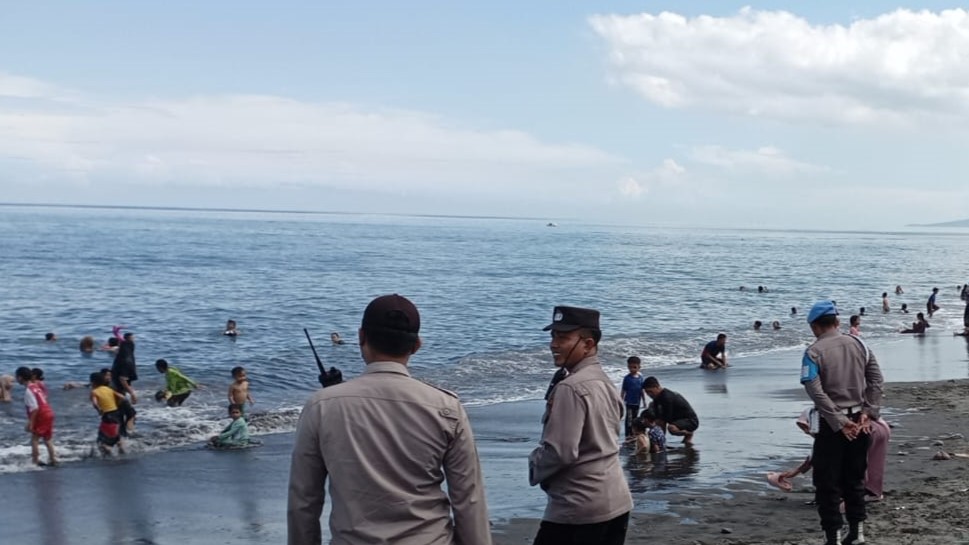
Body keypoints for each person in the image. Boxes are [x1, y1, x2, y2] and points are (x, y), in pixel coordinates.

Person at [288, 294, 490, 545]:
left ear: (361, 337)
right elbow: (469, 500)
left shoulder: (321, 406)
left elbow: (303, 501)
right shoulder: (446, 408)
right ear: (416, 345)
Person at [529, 305, 631, 545]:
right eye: (553, 336)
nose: (554, 344)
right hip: (615, 500)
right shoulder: (604, 381)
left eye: (563, 337)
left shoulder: (570, 388)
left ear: (588, 344)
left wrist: (534, 463)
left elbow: (560, 452)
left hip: (577, 509)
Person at [800, 300, 883, 545]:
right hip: (861, 421)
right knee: (855, 478)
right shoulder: (860, 344)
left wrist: (838, 420)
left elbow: (815, 391)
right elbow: (877, 380)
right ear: (837, 322)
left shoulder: (813, 352)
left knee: (827, 482)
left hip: (831, 425)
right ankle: (857, 534)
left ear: (814, 327)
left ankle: (833, 537)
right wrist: (870, 410)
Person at [15, 366, 57, 466]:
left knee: (34, 439)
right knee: (47, 438)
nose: (16, 379)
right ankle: (53, 459)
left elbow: (35, 408)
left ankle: (35, 460)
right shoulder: (35, 386)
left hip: (41, 415)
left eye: (16, 377)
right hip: (49, 412)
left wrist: (31, 423)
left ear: (20, 378)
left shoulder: (28, 390)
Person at [643, 376, 699, 447]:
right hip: (678, 419)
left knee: (671, 428)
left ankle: (688, 434)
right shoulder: (657, 397)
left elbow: (664, 421)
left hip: (691, 421)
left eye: (650, 391)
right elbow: (658, 418)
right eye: (647, 392)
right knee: (655, 414)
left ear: (657, 387)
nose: (649, 394)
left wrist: (659, 440)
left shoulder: (667, 397)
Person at [90, 371, 126, 456]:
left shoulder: (94, 392)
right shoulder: (108, 389)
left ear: (92, 383)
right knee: (116, 435)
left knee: (100, 440)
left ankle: (108, 453)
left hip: (107, 415)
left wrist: (99, 410)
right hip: (117, 413)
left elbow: (95, 403)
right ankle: (122, 450)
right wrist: (117, 403)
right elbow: (122, 397)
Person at [111, 331, 138, 435]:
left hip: (114, 390)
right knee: (131, 414)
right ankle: (127, 435)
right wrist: (132, 394)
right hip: (118, 391)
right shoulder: (127, 361)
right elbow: (123, 379)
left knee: (121, 414)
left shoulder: (120, 357)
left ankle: (122, 434)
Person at [620, 356, 646, 438]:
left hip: (637, 402)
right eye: (630, 367)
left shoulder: (641, 378)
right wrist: (621, 400)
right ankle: (628, 434)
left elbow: (642, 390)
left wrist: (644, 401)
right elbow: (623, 390)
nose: (632, 369)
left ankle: (634, 433)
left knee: (635, 418)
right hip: (629, 402)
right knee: (629, 419)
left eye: (634, 367)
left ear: (639, 367)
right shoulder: (627, 378)